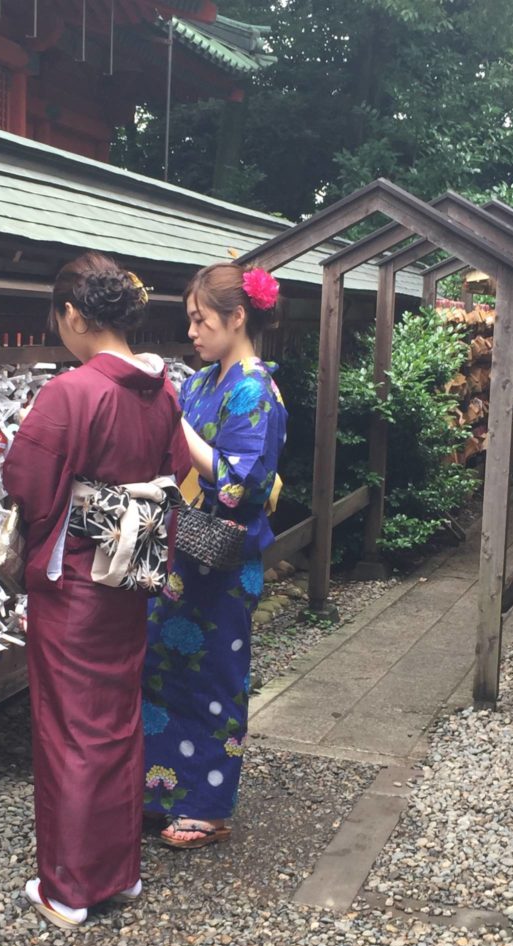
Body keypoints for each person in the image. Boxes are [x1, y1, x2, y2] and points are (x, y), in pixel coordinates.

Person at [2, 252, 190, 927]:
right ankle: (121, 873)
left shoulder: (74, 391)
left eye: (60, 318)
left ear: (74, 315)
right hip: (133, 562)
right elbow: (171, 469)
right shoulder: (161, 389)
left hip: (79, 575)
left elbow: (25, 481)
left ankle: (69, 888)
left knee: (72, 728)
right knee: (116, 717)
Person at [141, 262, 287, 848]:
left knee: (216, 678)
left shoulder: (256, 389)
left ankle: (208, 804)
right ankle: (160, 789)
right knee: (160, 669)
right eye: (191, 321)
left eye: (202, 321)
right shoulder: (203, 383)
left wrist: (178, 426)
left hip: (223, 559)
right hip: (180, 550)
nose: (194, 332)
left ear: (237, 317)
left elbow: (241, 482)